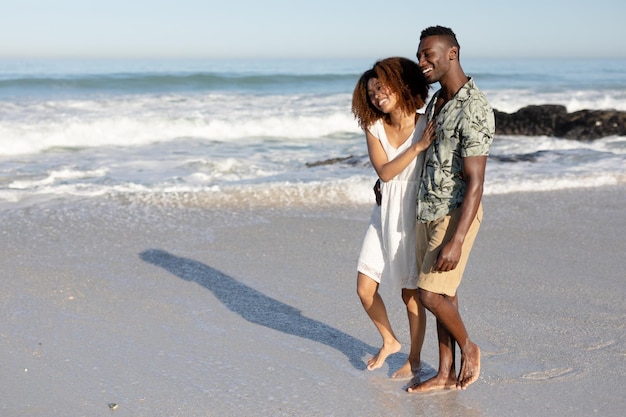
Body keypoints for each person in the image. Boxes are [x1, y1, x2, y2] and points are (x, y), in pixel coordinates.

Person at [406, 26, 495, 392]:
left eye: (429, 54)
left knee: (429, 295)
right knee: (445, 296)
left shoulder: (474, 106)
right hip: (427, 210)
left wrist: (456, 240)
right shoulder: (437, 101)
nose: (422, 62)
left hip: (456, 215)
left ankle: (469, 346)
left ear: (452, 53)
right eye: (419, 56)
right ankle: (444, 374)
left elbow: (476, 181)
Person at [351, 57, 435, 379]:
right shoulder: (373, 128)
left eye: (381, 86)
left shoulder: (427, 121)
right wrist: (417, 148)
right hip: (384, 209)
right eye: (371, 92)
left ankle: (414, 359)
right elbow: (385, 173)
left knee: (409, 292)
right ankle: (389, 340)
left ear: (399, 84)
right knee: (364, 288)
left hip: (413, 213)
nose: (376, 95)